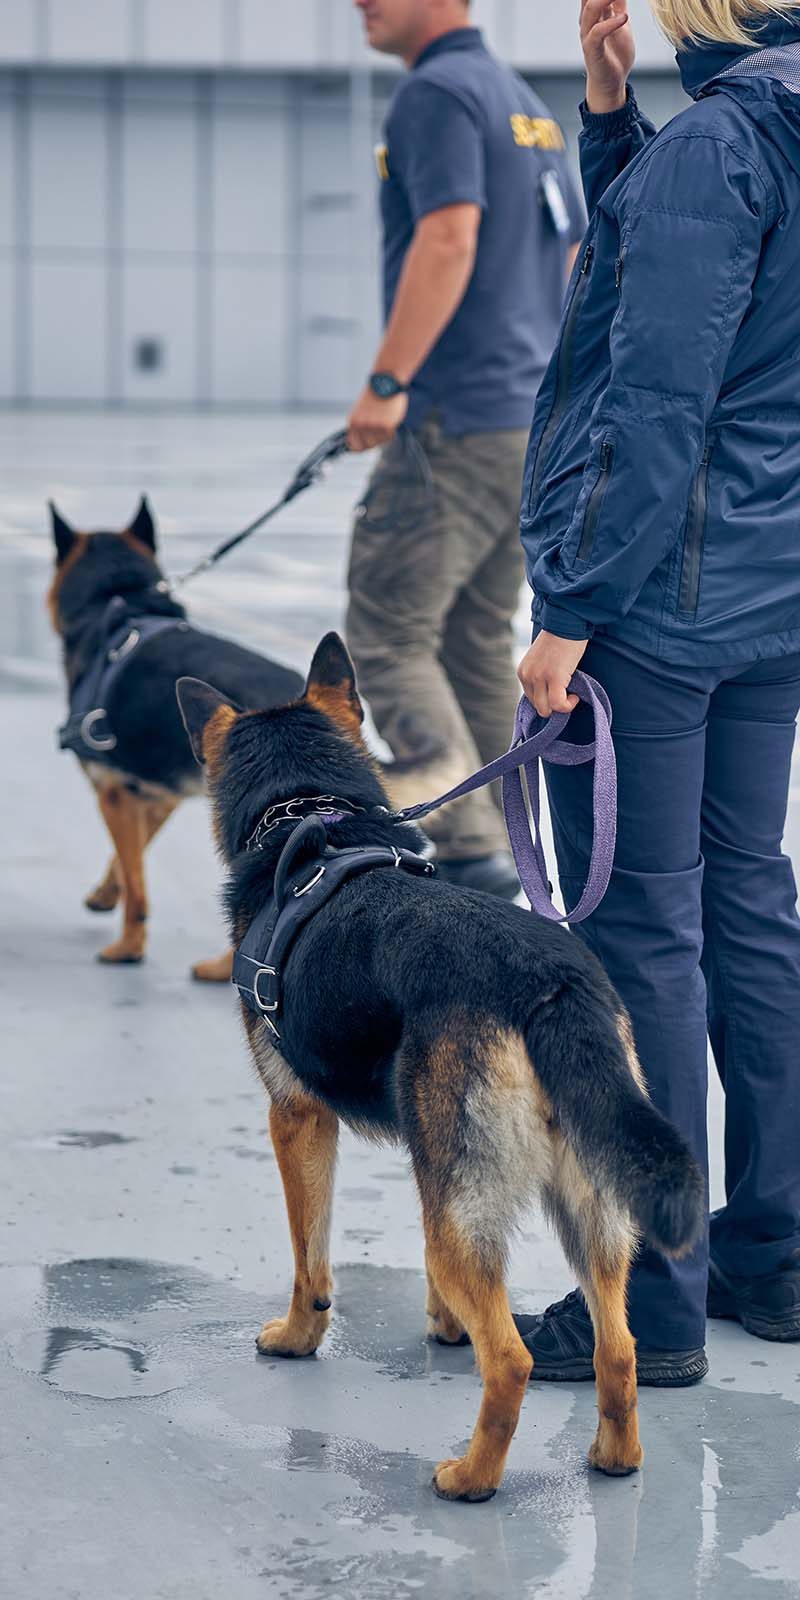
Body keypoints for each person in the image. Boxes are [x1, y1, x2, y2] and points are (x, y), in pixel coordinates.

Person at [515, 0, 800, 1384]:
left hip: (664, 607)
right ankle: (775, 1259)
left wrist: (571, 609)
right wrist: (614, 115)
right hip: (775, 591)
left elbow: (655, 396)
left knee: (645, 938)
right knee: (751, 903)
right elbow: (711, 300)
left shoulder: (727, 142)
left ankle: (659, 1301)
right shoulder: (741, 137)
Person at [346, 0, 585, 899]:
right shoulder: (522, 102)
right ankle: (506, 843)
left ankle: (463, 844)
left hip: (454, 416)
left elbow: (448, 237)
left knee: (387, 630)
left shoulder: (436, 93)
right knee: (472, 635)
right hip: (525, 414)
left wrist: (386, 380)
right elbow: (571, 263)